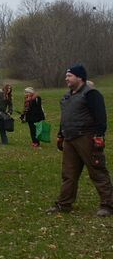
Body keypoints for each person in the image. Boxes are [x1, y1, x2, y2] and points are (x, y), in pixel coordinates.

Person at [47, 64, 112, 217]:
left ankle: (108, 205)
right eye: (66, 76)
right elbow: (65, 117)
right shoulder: (67, 96)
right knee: (68, 174)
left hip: (87, 138)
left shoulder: (91, 94)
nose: (66, 78)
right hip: (69, 139)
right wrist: (60, 135)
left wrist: (99, 136)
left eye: (69, 75)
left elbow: (100, 117)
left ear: (79, 77)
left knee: (97, 171)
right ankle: (64, 204)